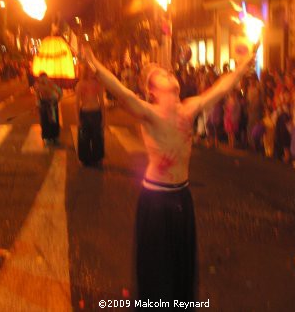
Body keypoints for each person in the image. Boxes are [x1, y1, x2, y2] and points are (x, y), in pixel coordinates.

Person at [82, 44, 256, 305]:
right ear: (152, 89)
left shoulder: (189, 107)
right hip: (156, 201)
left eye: (167, 71)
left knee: (180, 267)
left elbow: (221, 87)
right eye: (160, 74)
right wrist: (94, 65)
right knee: (157, 270)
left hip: (181, 197)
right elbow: (121, 91)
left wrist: (243, 65)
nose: (168, 73)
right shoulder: (149, 113)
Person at [75, 63, 105, 167]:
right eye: (90, 70)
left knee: (97, 138)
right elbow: (77, 103)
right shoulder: (80, 84)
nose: (92, 73)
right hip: (85, 113)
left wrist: (103, 118)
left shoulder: (99, 84)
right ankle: (85, 158)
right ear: (86, 72)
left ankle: (97, 158)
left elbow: (101, 101)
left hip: (96, 112)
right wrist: (77, 119)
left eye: (94, 71)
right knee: (84, 138)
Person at [34, 72, 63, 145]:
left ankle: (54, 137)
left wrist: (57, 100)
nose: (43, 79)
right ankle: (47, 137)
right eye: (42, 78)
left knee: (53, 120)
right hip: (44, 103)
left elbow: (59, 91)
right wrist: (38, 105)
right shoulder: (38, 85)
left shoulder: (50, 83)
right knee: (45, 121)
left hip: (52, 103)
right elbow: (37, 96)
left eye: (45, 78)